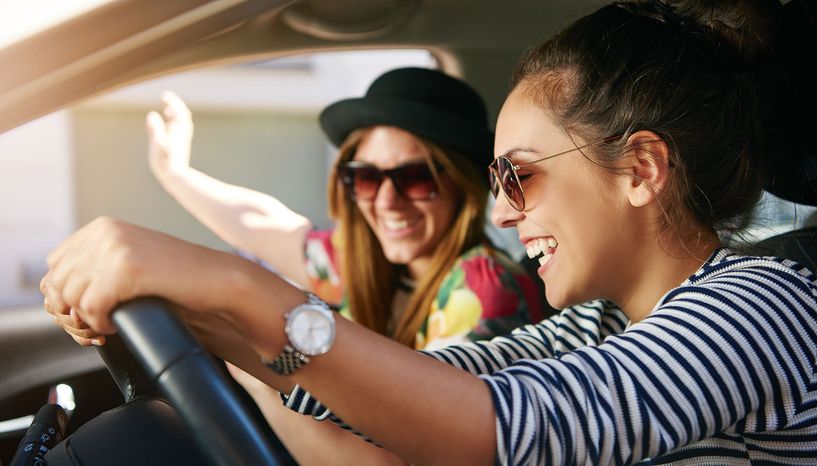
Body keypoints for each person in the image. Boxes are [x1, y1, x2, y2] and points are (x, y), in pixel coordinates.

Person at [43, 0, 817, 464]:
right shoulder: (599, 324)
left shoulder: (768, 306)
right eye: (496, 183)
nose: (506, 212)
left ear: (639, 169)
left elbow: (499, 430)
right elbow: (395, 391)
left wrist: (232, 285)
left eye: (518, 174)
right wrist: (207, 325)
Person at [146, 67, 546, 464]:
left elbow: (387, 461)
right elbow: (260, 222)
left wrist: (256, 371)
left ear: (462, 184)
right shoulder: (365, 265)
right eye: (367, 178)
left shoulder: (483, 289)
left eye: (414, 177)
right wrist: (174, 174)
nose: (387, 201)